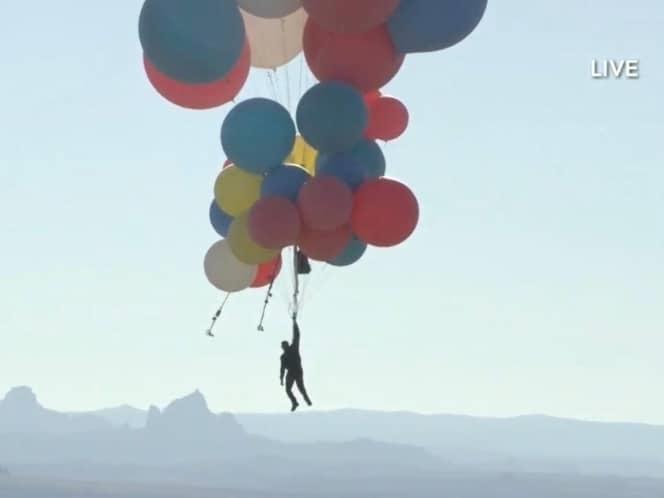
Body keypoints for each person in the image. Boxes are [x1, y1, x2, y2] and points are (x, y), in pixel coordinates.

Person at [280, 315, 312, 412]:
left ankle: (306, 401)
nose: (284, 348)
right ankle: (295, 402)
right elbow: (282, 369)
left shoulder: (293, 348)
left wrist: (294, 323)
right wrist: (281, 378)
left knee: (300, 388)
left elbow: (296, 335)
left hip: (297, 372)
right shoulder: (284, 356)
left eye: (284, 346)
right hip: (293, 372)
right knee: (289, 390)